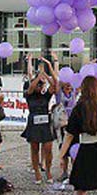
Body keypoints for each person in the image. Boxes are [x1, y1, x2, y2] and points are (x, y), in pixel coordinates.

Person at [22, 55, 57, 184]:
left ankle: (48, 169)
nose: (39, 86)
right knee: (34, 148)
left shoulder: (46, 96)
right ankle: (36, 170)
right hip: (34, 122)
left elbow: (54, 85)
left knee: (48, 148)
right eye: (38, 84)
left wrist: (45, 75)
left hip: (45, 122)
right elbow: (31, 87)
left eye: (41, 85)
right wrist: (37, 77)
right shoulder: (29, 95)